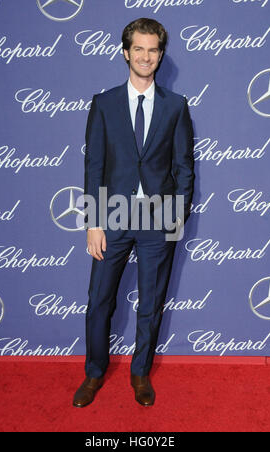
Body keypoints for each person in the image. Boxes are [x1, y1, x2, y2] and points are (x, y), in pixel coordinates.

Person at [73, 18, 195, 407]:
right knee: (99, 301)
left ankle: (140, 372)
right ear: (126, 52)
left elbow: (184, 167)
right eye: (138, 48)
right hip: (112, 215)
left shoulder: (176, 106)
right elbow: (93, 166)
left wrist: (175, 216)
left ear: (161, 54)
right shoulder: (104, 103)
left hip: (157, 219)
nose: (145, 56)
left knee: (151, 301)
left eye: (153, 49)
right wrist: (92, 221)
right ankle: (94, 372)